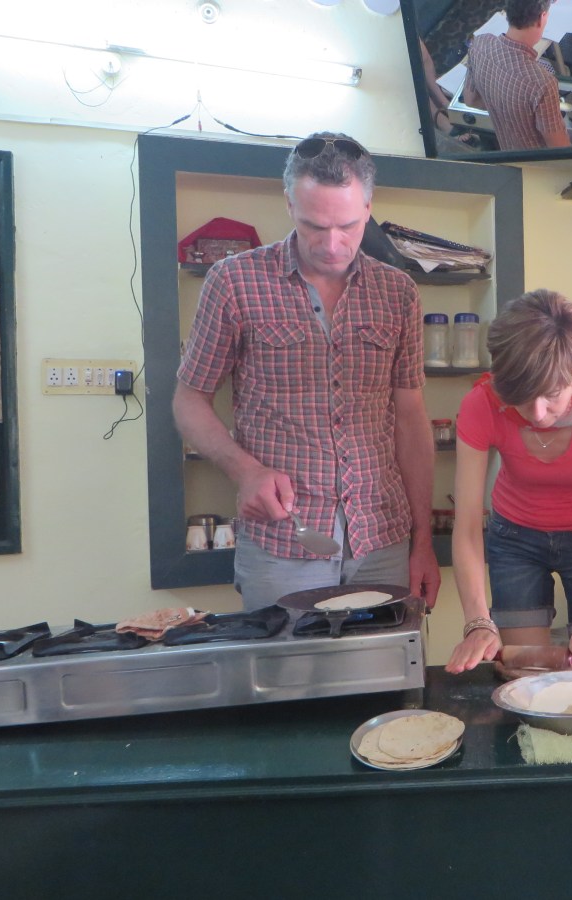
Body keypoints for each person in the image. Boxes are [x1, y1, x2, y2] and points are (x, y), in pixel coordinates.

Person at [173, 132, 440, 612]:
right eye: (314, 226)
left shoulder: (398, 292)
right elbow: (188, 399)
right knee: (285, 663)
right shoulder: (234, 282)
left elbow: (410, 418)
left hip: (382, 539)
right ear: (289, 204)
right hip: (282, 543)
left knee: (383, 662)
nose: (333, 245)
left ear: (368, 207)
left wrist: (423, 541)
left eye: (349, 226)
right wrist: (245, 471)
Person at [444, 290, 572, 674]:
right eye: (523, 398)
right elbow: (468, 525)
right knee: (525, 673)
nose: (538, 414)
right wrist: (477, 622)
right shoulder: (481, 403)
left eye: (552, 395)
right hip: (516, 539)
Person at [461, 0, 570, 151]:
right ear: (542, 17)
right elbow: (560, 148)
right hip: (540, 162)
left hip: (507, 151)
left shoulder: (479, 44)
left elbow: (470, 100)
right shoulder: (542, 83)